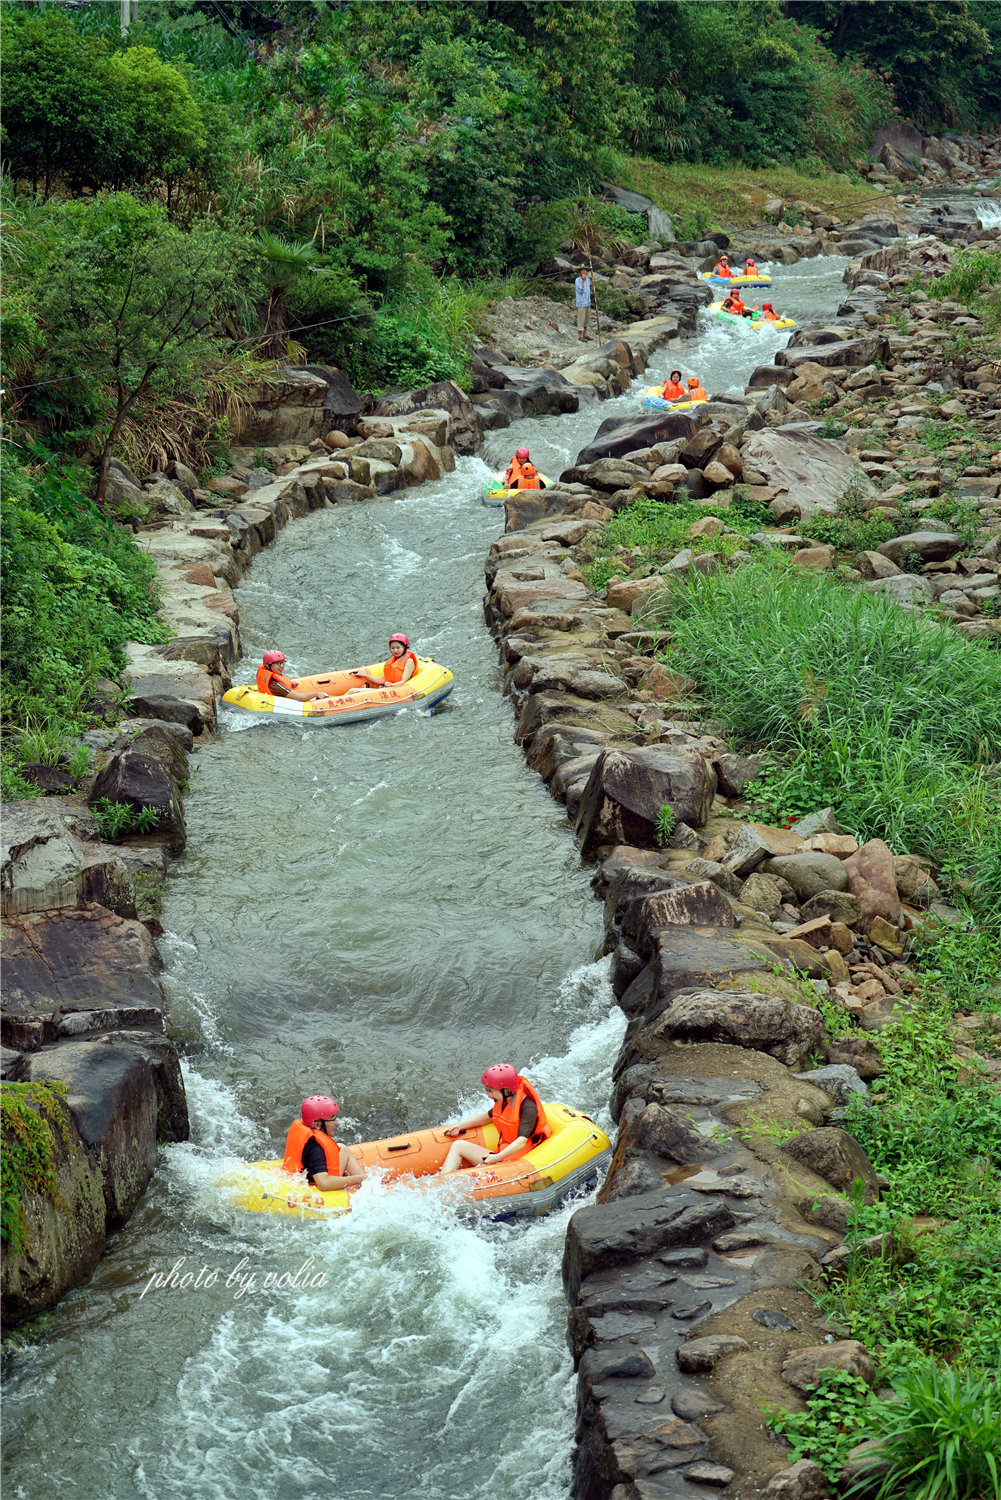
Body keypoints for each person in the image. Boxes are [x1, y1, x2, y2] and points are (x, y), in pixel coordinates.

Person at [438, 1064, 552, 1175]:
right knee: (459, 1145)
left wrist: (496, 1158)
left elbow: (521, 1141)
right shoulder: (504, 1102)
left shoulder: (528, 1108)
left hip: (520, 1163)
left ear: (506, 1091)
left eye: (491, 1091)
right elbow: (488, 1116)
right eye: (486, 1090)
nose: (488, 1094)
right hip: (502, 1155)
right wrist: (459, 1126)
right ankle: (443, 1181)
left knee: (479, 1170)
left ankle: (449, 1186)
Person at [283, 1096, 367, 1190]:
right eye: (332, 1119)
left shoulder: (307, 1133)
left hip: (303, 1176)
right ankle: (364, 1187)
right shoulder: (315, 1148)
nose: (336, 1123)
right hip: (314, 1188)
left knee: (342, 1149)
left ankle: (364, 1185)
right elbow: (323, 1183)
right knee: (360, 1178)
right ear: (318, 1124)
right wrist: (359, 1178)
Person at [256, 651, 330, 702]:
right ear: (268, 665)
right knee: (325, 695)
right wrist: (317, 694)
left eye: (283, 662)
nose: (282, 666)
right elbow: (301, 698)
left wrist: (289, 683)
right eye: (278, 664)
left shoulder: (269, 675)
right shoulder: (275, 685)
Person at [353, 634, 419, 689]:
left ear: (405, 647)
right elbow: (383, 680)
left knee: (353, 691)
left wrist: (391, 685)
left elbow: (403, 681)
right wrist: (364, 675)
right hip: (386, 688)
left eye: (398, 648)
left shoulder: (409, 661)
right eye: (392, 648)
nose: (395, 650)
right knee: (353, 690)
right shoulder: (392, 661)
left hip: (397, 690)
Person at [574, 270, 593, 341]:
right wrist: (583, 281)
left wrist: (592, 284)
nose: (584, 273)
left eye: (585, 272)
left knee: (586, 318)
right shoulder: (577, 280)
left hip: (587, 302)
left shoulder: (588, 279)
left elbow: (588, 287)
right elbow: (580, 290)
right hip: (581, 302)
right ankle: (580, 335)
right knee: (581, 318)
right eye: (582, 272)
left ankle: (585, 334)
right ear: (580, 273)